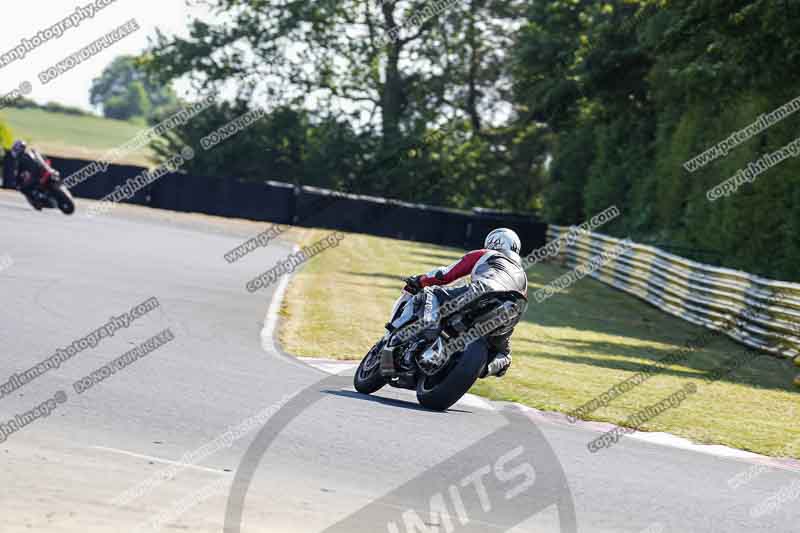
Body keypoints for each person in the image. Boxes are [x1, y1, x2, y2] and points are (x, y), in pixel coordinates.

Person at [403, 228, 529, 378]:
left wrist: (420, 280)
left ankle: (429, 329)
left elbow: (444, 275)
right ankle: (486, 367)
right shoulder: (523, 276)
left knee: (431, 292)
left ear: (491, 242)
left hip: (485, 291)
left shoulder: (486, 254)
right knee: (504, 354)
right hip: (513, 311)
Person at [7, 140, 57, 209]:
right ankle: (40, 197)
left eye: (16, 149)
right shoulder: (31, 152)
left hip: (40, 172)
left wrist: (17, 183)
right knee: (27, 185)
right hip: (45, 168)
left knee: (23, 188)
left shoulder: (20, 160)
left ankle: (38, 199)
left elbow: (18, 174)